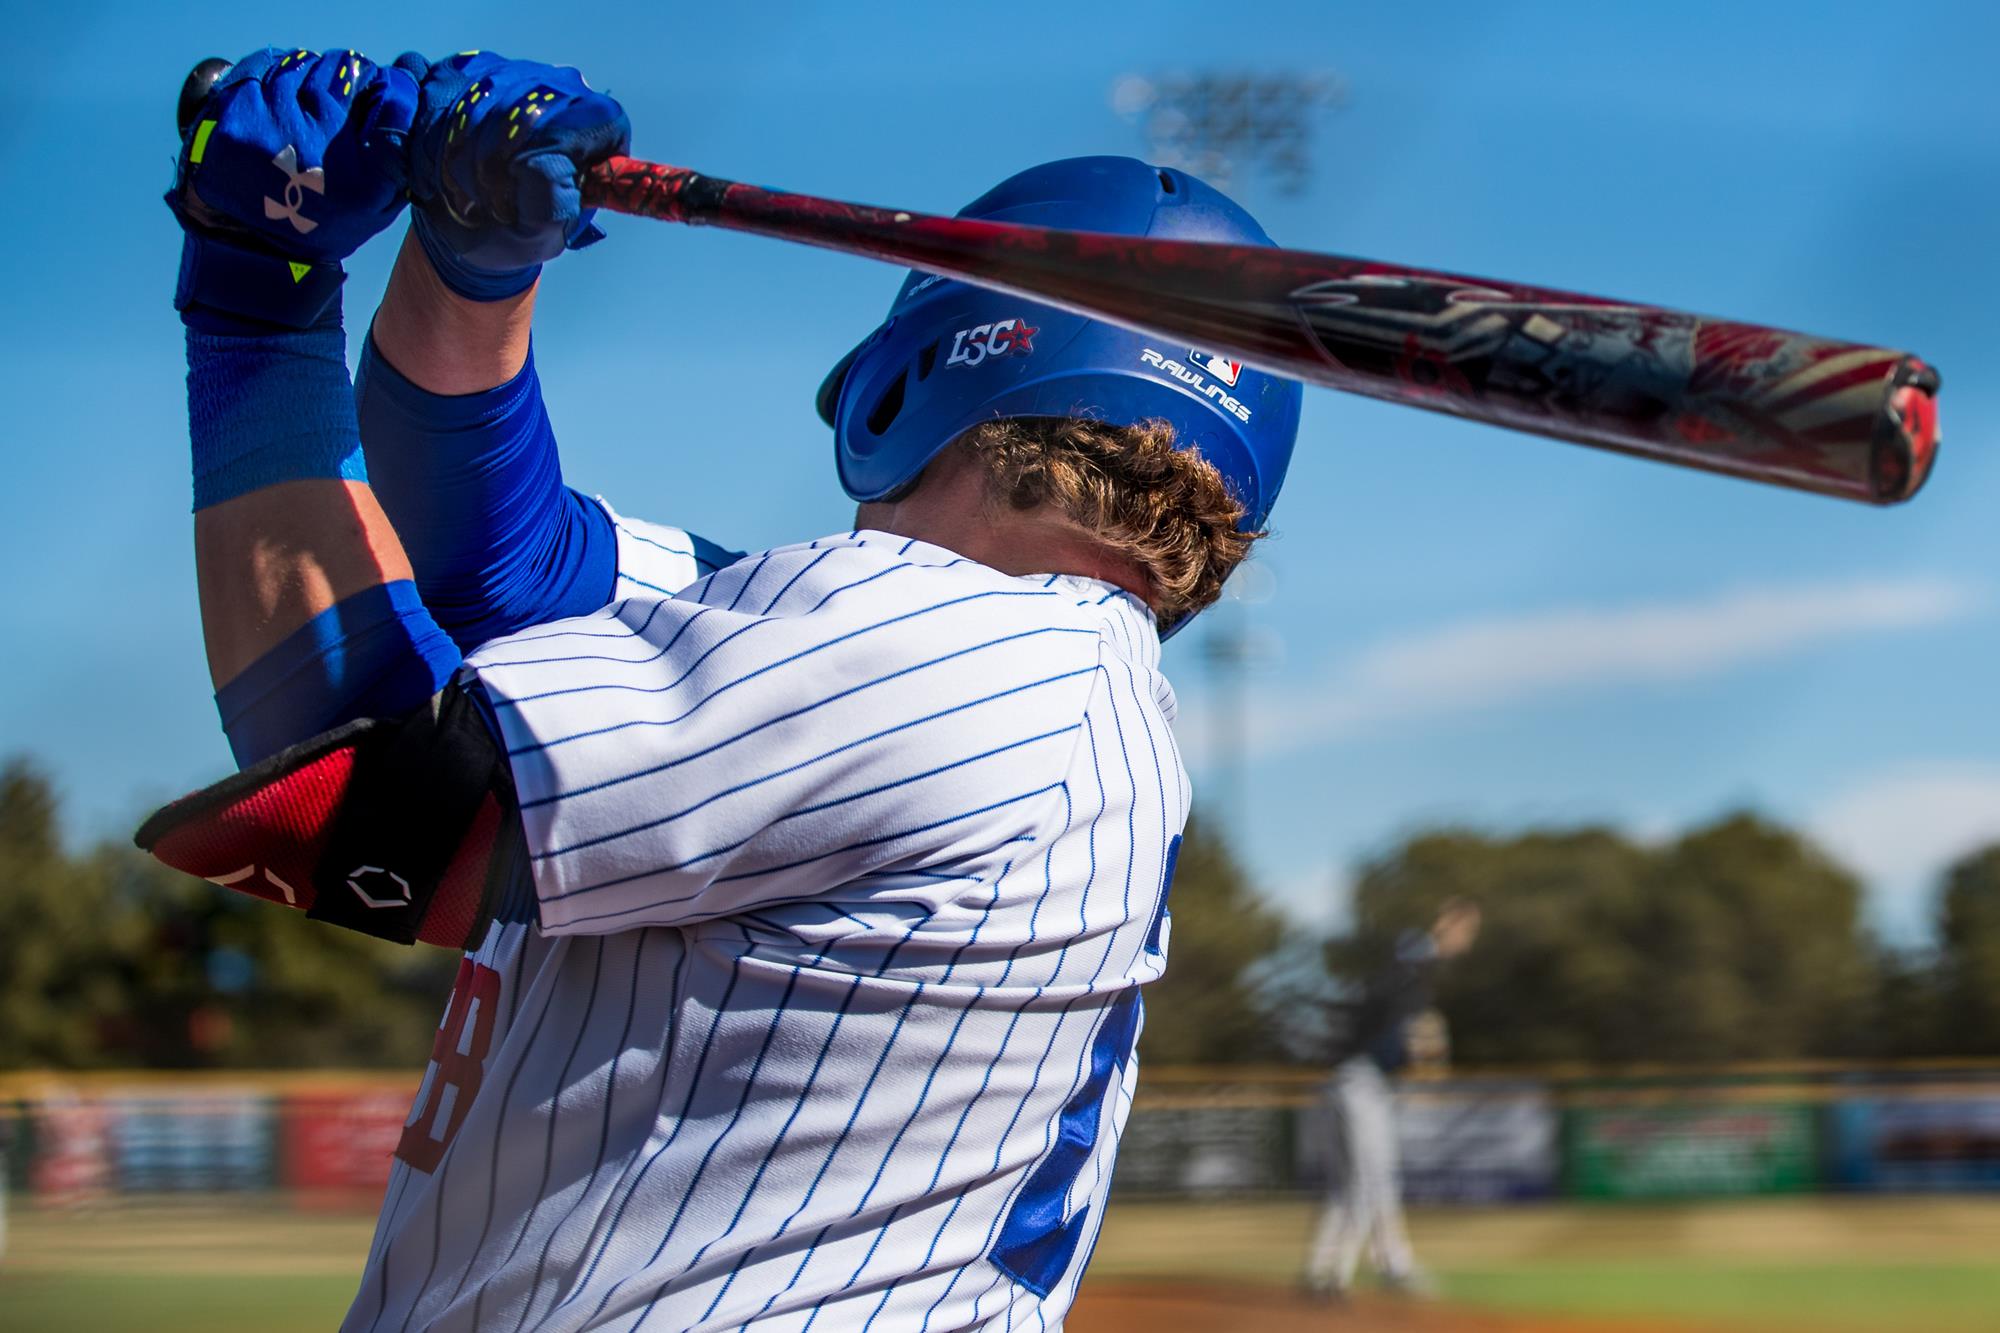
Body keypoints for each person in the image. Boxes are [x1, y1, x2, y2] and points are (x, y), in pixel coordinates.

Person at [141, 46, 1301, 1330]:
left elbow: (354, 793)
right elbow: (495, 566)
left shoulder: (945, 647)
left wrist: (260, 299)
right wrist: (473, 263)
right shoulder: (1017, 673)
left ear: (918, 367)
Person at [1303, 897, 1482, 1302]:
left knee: (1353, 1184)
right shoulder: (1411, 962)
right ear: (1446, 922)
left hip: (1349, 1079)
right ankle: (1350, 1275)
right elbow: (1401, 986)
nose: (1466, 942)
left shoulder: (1408, 968)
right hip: (1360, 1082)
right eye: (1465, 930)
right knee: (1371, 1180)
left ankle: (1328, 1270)